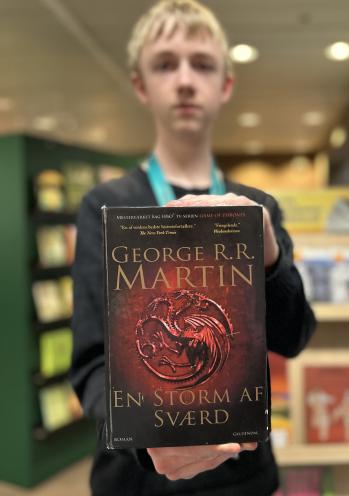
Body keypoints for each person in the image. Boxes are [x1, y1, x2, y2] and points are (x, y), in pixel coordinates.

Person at [70, 1, 316, 494]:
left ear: (225, 84)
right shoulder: (105, 206)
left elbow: (293, 336)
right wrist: (145, 440)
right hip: (138, 480)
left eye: (202, 64)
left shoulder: (256, 209)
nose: (184, 81)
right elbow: (92, 363)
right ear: (141, 85)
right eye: (165, 64)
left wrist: (271, 260)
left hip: (241, 476)